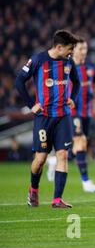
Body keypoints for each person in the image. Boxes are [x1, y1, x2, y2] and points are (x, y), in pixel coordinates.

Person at [14, 29, 81, 208]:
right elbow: (19, 82)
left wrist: (72, 98)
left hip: (63, 116)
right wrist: (31, 105)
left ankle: (57, 200)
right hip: (43, 117)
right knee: (41, 159)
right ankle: (33, 190)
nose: (71, 52)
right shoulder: (37, 60)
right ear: (59, 47)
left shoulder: (69, 62)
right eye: (69, 49)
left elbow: (77, 82)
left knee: (62, 155)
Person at [46, 37, 95, 193]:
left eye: (85, 49)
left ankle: (54, 160)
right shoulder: (65, 66)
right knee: (80, 141)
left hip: (87, 112)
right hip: (71, 111)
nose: (83, 52)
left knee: (77, 147)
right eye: (80, 49)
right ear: (73, 50)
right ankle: (86, 182)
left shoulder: (91, 67)